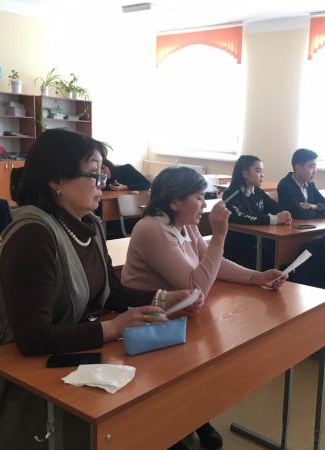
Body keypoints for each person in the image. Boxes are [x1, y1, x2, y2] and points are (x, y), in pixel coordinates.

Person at [0, 129, 201, 450]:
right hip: (22, 382)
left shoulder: (89, 225)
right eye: (93, 175)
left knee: (159, 403)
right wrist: (114, 328)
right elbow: (33, 338)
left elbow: (111, 292)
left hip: (73, 356)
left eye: (102, 175)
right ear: (56, 181)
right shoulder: (33, 234)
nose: (102, 184)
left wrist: (164, 298)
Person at [122, 166, 286, 450]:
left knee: (203, 362)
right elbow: (197, 285)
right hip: (148, 325)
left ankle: (196, 417)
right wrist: (220, 235)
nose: (204, 204)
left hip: (179, 316)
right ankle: (171, 430)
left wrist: (255, 277)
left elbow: (213, 263)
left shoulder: (187, 225)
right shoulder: (151, 229)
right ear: (175, 202)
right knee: (178, 375)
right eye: (198, 197)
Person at [222, 155, 292, 269]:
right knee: (273, 262)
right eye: (258, 171)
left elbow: (276, 208)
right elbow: (241, 216)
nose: (262, 175)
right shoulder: (231, 194)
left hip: (258, 243)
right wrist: (274, 219)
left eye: (262, 171)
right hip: (239, 248)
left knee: (284, 259)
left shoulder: (259, 192)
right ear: (245, 173)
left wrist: (285, 215)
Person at [277, 148, 325, 219]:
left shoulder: (310, 185)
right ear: (298, 168)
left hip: (311, 224)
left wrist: (314, 206)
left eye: (315, 167)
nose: (315, 172)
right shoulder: (285, 186)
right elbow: (300, 214)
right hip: (294, 225)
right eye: (311, 167)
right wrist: (322, 212)